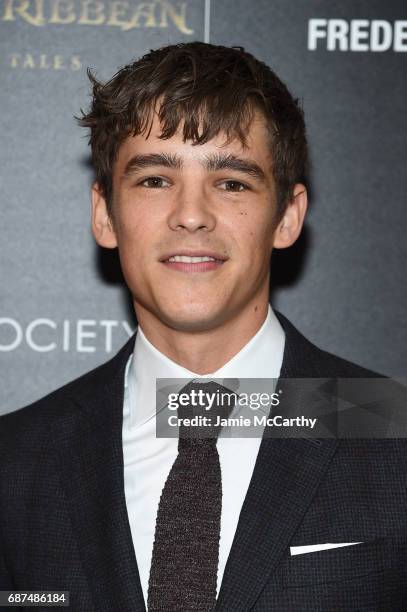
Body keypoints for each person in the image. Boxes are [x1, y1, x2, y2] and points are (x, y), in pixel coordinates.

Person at [0, 42, 406, 612]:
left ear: (287, 216)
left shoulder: (391, 431)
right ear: (104, 214)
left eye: (232, 182)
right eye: (155, 180)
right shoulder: (16, 461)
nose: (191, 214)